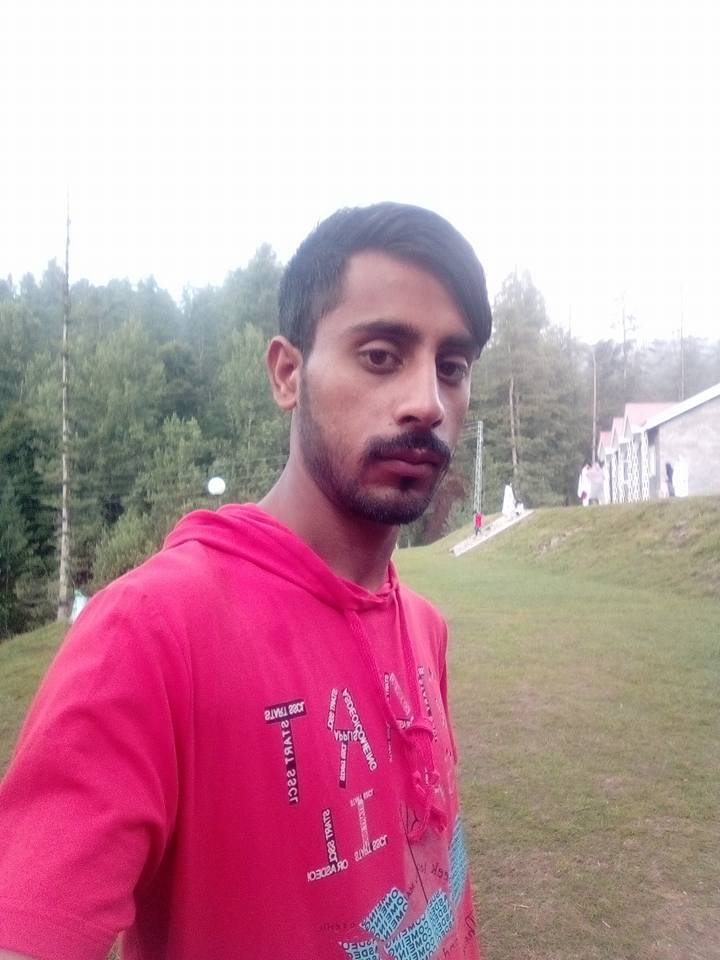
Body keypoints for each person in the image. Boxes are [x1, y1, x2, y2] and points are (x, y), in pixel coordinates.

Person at [0, 202, 492, 960]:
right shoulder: (152, 632)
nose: (427, 402)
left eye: (451, 368)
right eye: (381, 356)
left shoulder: (424, 627)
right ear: (288, 374)